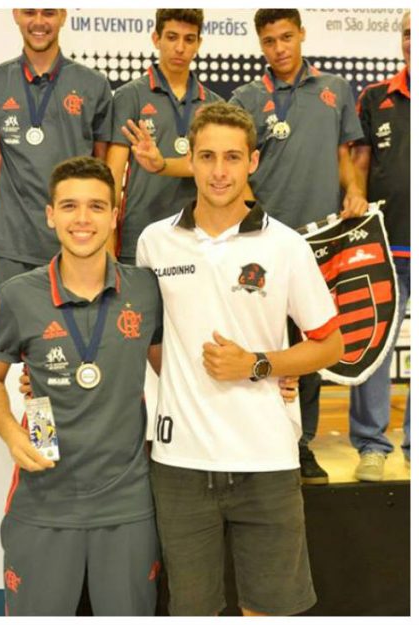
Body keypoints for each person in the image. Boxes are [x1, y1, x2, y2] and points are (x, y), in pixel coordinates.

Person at [137, 102, 343, 615]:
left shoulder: (286, 245)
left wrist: (257, 364)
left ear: (253, 161)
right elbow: (146, 341)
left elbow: (329, 344)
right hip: (180, 464)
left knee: (269, 612)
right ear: (191, 159)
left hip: (266, 459)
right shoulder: (155, 243)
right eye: (207, 156)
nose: (220, 171)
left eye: (232, 157)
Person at [0, 156, 163, 615]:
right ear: (50, 214)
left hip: (126, 504)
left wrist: (271, 376)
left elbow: (177, 368)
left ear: (115, 215)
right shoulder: (20, 295)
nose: (83, 219)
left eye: (97, 207)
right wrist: (12, 432)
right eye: (70, 206)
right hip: (43, 502)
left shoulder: (145, 289)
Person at [229, 9, 366, 484]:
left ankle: (302, 443)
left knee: (311, 344)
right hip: (263, 241)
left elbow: (344, 154)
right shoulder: (247, 97)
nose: (279, 48)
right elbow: (239, 166)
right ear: (260, 45)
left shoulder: (336, 90)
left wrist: (354, 190)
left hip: (322, 241)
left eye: (286, 37)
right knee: (264, 343)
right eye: (269, 41)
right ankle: (260, 440)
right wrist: (250, 217)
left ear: (302, 34)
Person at [0, 8, 112, 296]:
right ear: (15, 14)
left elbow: (104, 171)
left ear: (63, 16)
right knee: (10, 340)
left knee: (72, 337)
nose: (39, 22)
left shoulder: (93, 85)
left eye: (48, 13)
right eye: (30, 12)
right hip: (8, 246)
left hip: (74, 241)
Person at [105, 8, 223, 263]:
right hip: (139, 233)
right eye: (171, 37)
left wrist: (162, 165)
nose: (180, 48)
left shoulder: (215, 104)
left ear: (199, 43)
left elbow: (215, 169)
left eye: (189, 39)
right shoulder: (130, 96)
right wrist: (107, 237)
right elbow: (113, 174)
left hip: (198, 237)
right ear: (156, 39)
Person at [349, 9, 411, 480]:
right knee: (375, 344)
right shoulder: (374, 97)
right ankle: (372, 444)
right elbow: (360, 167)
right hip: (389, 246)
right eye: (408, 33)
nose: (412, 42)